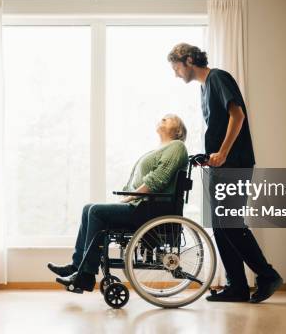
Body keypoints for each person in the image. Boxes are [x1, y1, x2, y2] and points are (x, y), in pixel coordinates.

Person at [168, 43, 282, 303]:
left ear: (188, 60)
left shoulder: (218, 77)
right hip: (221, 165)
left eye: (176, 67)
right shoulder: (203, 88)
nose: (176, 74)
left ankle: (267, 275)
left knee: (230, 224)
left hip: (234, 163)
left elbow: (238, 115)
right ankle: (237, 286)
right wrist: (208, 156)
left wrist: (224, 153)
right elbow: (219, 127)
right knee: (220, 226)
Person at [48, 114, 189, 292]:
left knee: (96, 211)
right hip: (143, 206)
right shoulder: (158, 149)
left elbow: (158, 179)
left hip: (151, 210)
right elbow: (137, 180)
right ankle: (76, 267)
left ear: (178, 130)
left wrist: (130, 197)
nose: (162, 119)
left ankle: (86, 275)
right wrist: (127, 196)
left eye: (168, 119)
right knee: (88, 208)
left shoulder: (177, 146)